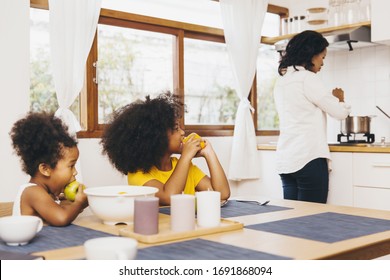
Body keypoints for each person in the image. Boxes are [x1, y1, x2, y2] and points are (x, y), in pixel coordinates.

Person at [100, 92, 230, 206]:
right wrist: (185, 156)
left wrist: (209, 153)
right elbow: (169, 197)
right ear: (156, 137)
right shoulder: (138, 175)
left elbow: (222, 195)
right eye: (176, 128)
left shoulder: (187, 168)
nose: (182, 133)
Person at [273, 30, 351, 204]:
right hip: (309, 158)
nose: (323, 63)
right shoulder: (308, 78)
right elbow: (339, 113)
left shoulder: (282, 81)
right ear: (312, 55)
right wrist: (340, 99)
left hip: (286, 159)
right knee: (313, 219)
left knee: (292, 218)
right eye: (322, 57)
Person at [9, 111, 88, 226]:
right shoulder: (32, 192)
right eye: (71, 166)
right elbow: (61, 218)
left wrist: (71, 202)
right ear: (45, 169)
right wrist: (79, 203)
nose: (75, 172)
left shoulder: (48, 194)